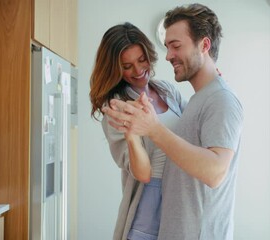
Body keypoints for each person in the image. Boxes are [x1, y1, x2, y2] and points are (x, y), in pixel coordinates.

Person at [103, 4, 244, 240]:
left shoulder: (218, 99)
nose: (167, 56)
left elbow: (215, 172)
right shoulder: (199, 99)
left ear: (204, 45)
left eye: (175, 46)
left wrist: (153, 129)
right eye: (167, 47)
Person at [89, 22, 186, 240]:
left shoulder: (166, 90)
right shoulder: (117, 107)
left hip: (180, 195)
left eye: (141, 59)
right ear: (115, 69)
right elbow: (142, 174)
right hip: (151, 201)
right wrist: (132, 135)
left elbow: (196, 124)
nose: (139, 70)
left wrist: (212, 86)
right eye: (127, 65)